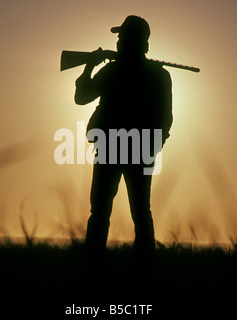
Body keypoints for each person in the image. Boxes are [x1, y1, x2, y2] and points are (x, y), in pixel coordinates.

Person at [74, 15, 173, 258]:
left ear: (133, 42)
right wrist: (153, 146)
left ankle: (93, 264)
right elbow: (165, 120)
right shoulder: (158, 75)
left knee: (104, 211)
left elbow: (81, 97)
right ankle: (144, 266)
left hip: (113, 147)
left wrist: (90, 66)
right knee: (138, 211)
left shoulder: (112, 71)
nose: (118, 42)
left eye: (122, 38)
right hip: (136, 150)